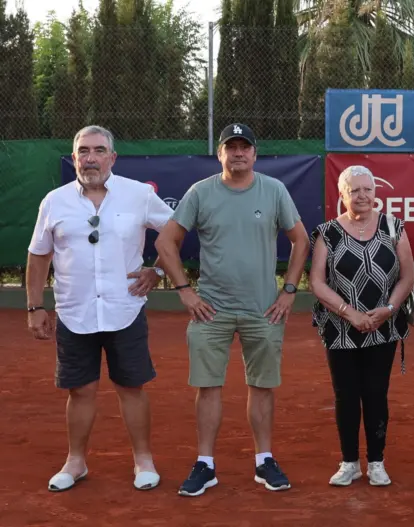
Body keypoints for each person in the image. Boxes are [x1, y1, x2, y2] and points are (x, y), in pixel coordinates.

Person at [154, 123, 310, 497]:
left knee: (262, 386)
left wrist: (289, 291)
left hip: (264, 310)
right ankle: (205, 464)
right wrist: (185, 292)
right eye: (231, 147)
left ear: (254, 154)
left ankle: (264, 460)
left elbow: (301, 240)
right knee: (208, 386)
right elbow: (166, 242)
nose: (238, 153)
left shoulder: (274, 190)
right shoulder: (200, 192)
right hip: (210, 311)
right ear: (220, 153)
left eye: (245, 147)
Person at [26, 125, 172, 492]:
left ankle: (143, 460)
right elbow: (38, 255)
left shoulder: (139, 195)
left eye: (99, 150)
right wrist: (34, 306)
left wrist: (156, 271)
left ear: (112, 157)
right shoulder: (54, 201)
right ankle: (75, 462)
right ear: (74, 157)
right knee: (80, 390)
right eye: (84, 151)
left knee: (132, 387)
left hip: (126, 309)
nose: (91, 158)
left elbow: (175, 231)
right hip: (74, 312)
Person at [308, 165, 414, 488]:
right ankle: (350, 462)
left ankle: (377, 463)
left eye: (368, 189)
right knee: (346, 394)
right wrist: (350, 314)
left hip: (384, 326)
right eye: (354, 190)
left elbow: (408, 275)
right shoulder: (327, 232)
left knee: (376, 392)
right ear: (342, 194)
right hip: (340, 328)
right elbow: (316, 281)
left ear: (375, 192)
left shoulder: (393, 226)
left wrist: (388, 309)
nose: (362, 196)